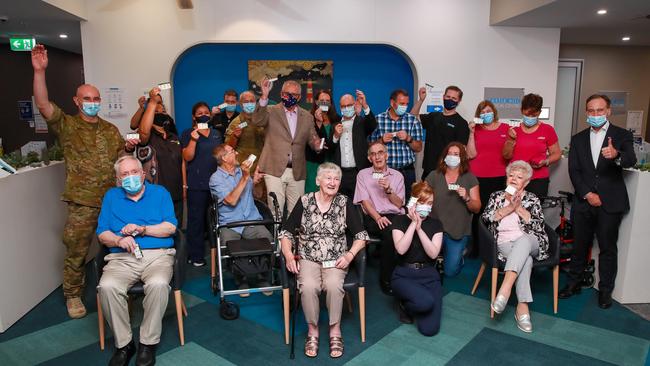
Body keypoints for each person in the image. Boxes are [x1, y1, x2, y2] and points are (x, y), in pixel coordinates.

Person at [31, 44, 126, 319]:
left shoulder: (110, 130)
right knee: (76, 251)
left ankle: (120, 290)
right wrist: (39, 72)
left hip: (111, 201)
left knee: (119, 248)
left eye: (96, 98)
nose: (93, 102)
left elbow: (121, 160)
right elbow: (43, 104)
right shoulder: (68, 126)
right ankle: (73, 295)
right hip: (82, 204)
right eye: (87, 98)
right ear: (77, 101)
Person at [280, 162, 369, 358]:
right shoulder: (305, 201)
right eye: (328, 178)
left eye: (336, 179)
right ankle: (313, 330)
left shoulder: (344, 203)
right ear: (318, 180)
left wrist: (349, 255)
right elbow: (285, 233)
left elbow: (362, 236)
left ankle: (335, 329)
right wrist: (288, 255)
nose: (333, 182)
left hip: (336, 259)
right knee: (309, 286)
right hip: (308, 258)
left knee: (333, 284)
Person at [96, 156, 177, 366]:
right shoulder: (111, 196)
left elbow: (170, 227)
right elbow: (102, 234)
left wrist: (142, 229)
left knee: (158, 284)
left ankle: (147, 343)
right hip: (121, 258)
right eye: (124, 174)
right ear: (117, 179)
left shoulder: (160, 193)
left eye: (134, 172)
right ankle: (124, 345)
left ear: (143, 174)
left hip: (157, 255)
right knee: (107, 286)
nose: (130, 177)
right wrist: (118, 239)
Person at [560, 94, 636, 309]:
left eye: (600, 110)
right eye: (591, 111)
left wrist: (617, 155)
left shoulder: (620, 135)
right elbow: (574, 171)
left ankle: (605, 292)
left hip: (610, 203)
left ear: (608, 111)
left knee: (607, 248)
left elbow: (630, 158)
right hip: (584, 202)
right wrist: (587, 194)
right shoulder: (578, 138)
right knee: (579, 245)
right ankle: (573, 284)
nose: (595, 115)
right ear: (586, 113)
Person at [482, 161, 549, 333]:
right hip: (505, 243)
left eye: (519, 177)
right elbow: (486, 218)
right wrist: (509, 207)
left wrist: (518, 208)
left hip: (531, 240)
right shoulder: (496, 196)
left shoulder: (532, 199)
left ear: (526, 182)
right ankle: (522, 307)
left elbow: (538, 225)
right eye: (511, 175)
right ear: (506, 178)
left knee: (524, 241)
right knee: (524, 260)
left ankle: (504, 290)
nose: (514, 179)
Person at [252, 78, 322, 217]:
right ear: (281, 94)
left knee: (296, 212)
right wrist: (264, 96)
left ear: (299, 97)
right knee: (275, 209)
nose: (289, 97)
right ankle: (277, 238)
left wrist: (317, 145)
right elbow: (257, 120)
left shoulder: (307, 116)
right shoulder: (270, 111)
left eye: (293, 95)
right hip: (273, 169)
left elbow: (312, 139)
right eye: (286, 93)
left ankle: (292, 239)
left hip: (297, 171)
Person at [209, 144, 272, 297]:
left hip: (251, 219)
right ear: (224, 158)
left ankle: (261, 276)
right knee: (229, 243)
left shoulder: (242, 172)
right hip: (230, 224)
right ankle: (240, 277)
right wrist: (245, 178)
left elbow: (254, 195)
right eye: (232, 152)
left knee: (267, 239)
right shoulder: (215, 179)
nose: (236, 153)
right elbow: (231, 200)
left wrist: (255, 180)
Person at [391, 181, 444, 335]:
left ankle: (416, 302)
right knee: (425, 302)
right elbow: (401, 249)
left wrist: (420, 230)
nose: (427, 206)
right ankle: (405, 305)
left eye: (430, 203)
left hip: (428, 275)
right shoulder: (399, 221)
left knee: (429, 330)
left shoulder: (436, 225)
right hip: (403, 275)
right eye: (423, 202)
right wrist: (414, 223)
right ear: (413, 202)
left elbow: (433, 254)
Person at [354, 141, 405, 294]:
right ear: (369, 158)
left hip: (395, 214)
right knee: (391, 233)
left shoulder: (397, 176)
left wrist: (389, 190)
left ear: (386, 155)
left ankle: (408, 274)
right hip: (373, 216)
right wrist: (378, 218)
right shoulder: (363, 175)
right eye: (373, 154)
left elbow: (399, 203)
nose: (377, 157)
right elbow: (365, 201)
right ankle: (387, 279)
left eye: (380, 152)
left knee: (410, 230)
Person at [424, 143, 480, 276]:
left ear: (462, 158)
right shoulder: (434, 175)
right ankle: (440, 255)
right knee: (426, 265)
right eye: (450, 154)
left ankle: (459, 255)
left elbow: (477, 208)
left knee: (451, 271)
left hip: (458, 230)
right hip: (434, 226)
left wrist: (466, 197)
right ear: (444, 157)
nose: (452, 157)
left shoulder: (470, 178)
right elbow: (421, 194)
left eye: (456, 154)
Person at [180, 102, 223, 266]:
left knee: (216, 221)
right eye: (199, 113)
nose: (203, 115)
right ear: (193, 117)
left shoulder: (216, 134)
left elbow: (221, 156)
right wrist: (193, 139)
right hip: (196, 184)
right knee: (196, 221)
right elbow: (187, 157)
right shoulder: (187, 133)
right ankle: (195, 255)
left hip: (217, 184)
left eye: (206, 112)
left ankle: (219, 255)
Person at [136, 87, 183, 224]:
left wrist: (184, 187)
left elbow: (181, 162)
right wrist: (152, 103)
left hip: (175, 194)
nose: (160, 114)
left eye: (162, 111)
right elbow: (143, 132)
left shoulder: (173, 136)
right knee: (155, 230)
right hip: (153, 195)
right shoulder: (145, 138)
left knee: (176, 231)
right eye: (155, 112)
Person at [502, 93, 561, 198]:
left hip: (538, 180)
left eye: (534, 115)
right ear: (521, 110)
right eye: (527, 114)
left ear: (539, 112)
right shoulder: (513, 129)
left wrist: (545, 161)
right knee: (509, 208)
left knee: (534, 212)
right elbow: (506, 156)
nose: (530, 117)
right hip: (514, 179)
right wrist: (511, 140)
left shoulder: (548, 130)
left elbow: (556, 154)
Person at [370, 89, 423, 197]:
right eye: (402, 103)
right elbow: (369, 147)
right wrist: (382, 140)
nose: (405, 106)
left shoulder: (413, 121)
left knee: (408, 201)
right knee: (383, 201)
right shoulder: (378, 120)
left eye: (406, 104)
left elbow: (418, 148)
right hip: (384, 171)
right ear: (392, 103)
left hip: (407, 172)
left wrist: (408, 138)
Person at [411, 85, 470, 179]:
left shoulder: (461, 123)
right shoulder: (433, 116)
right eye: (448, 97)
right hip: (428, 169)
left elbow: (462, 150)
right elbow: (413, 117)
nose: (450, 100)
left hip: (447, 171)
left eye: (454, 98)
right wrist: (421, 100)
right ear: (443, 97)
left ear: (459, 101)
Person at [331, 90, 376, 198]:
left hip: (358, 171)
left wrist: (365, 105)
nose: (346, 108)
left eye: (349, 105)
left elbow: (372, 125)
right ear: (340, 108)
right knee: (340, 206)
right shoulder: (335, 125)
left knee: (360, 205)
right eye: (343, 106)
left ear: (355, 104)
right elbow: (330, 149)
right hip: (340, 173)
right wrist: (336, 136)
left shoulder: (361, 122)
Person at [467, 100, 509, 208]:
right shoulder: (474, 129)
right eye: (483, 112)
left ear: (494, 112)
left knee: (498, 207)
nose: (486, 114)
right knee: (479, 209)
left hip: (500, 176)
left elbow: (509, 152)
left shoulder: (506, 128)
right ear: (479, 115)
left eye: (488, 111)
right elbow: (471, 155)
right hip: (478, 176)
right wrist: (471, 133)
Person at [224, 90, 267, 200]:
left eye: (251, 101)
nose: (249, 104)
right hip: (243, 171)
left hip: (261, 170)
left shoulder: (262, 120)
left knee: (262, 203)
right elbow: (227, 149)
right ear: (240, 104)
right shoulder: (236, 122)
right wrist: (235, 136)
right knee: (244, 201)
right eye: (246, 101)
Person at [305, 90, 340, 193]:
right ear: (316, 102)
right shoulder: (308, 118)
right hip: (313, 163)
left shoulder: (337, 119)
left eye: (327, 101)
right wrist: (318, 123)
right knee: (313, 192)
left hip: (331, 163)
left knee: (329, 192)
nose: (325, 103)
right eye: (322, 100)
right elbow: (314, 141)